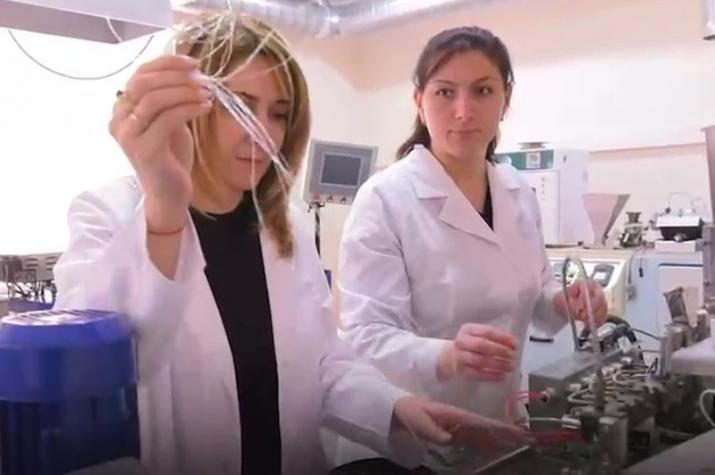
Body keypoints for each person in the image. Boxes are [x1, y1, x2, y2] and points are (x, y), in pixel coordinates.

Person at [52, 14, 528, 475]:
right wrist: (164, 204)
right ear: (189, 109)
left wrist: (399, 407)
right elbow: (97, 376)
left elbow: (325, 363)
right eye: (238, 106)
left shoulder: (286, 228)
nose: (263, 131)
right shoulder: (109, 216)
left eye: (278, 114)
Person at [335, 26, 608, 472]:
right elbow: (365, 336)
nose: (463, 111)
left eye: (482, 91)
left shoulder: (517, 192)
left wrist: (565, 301)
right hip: (410, 445)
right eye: (445, 92)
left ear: (505, 99)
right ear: (419, 102)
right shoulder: (384, 199)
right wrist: (444, 356)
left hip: (497, 431)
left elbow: (535, 292)